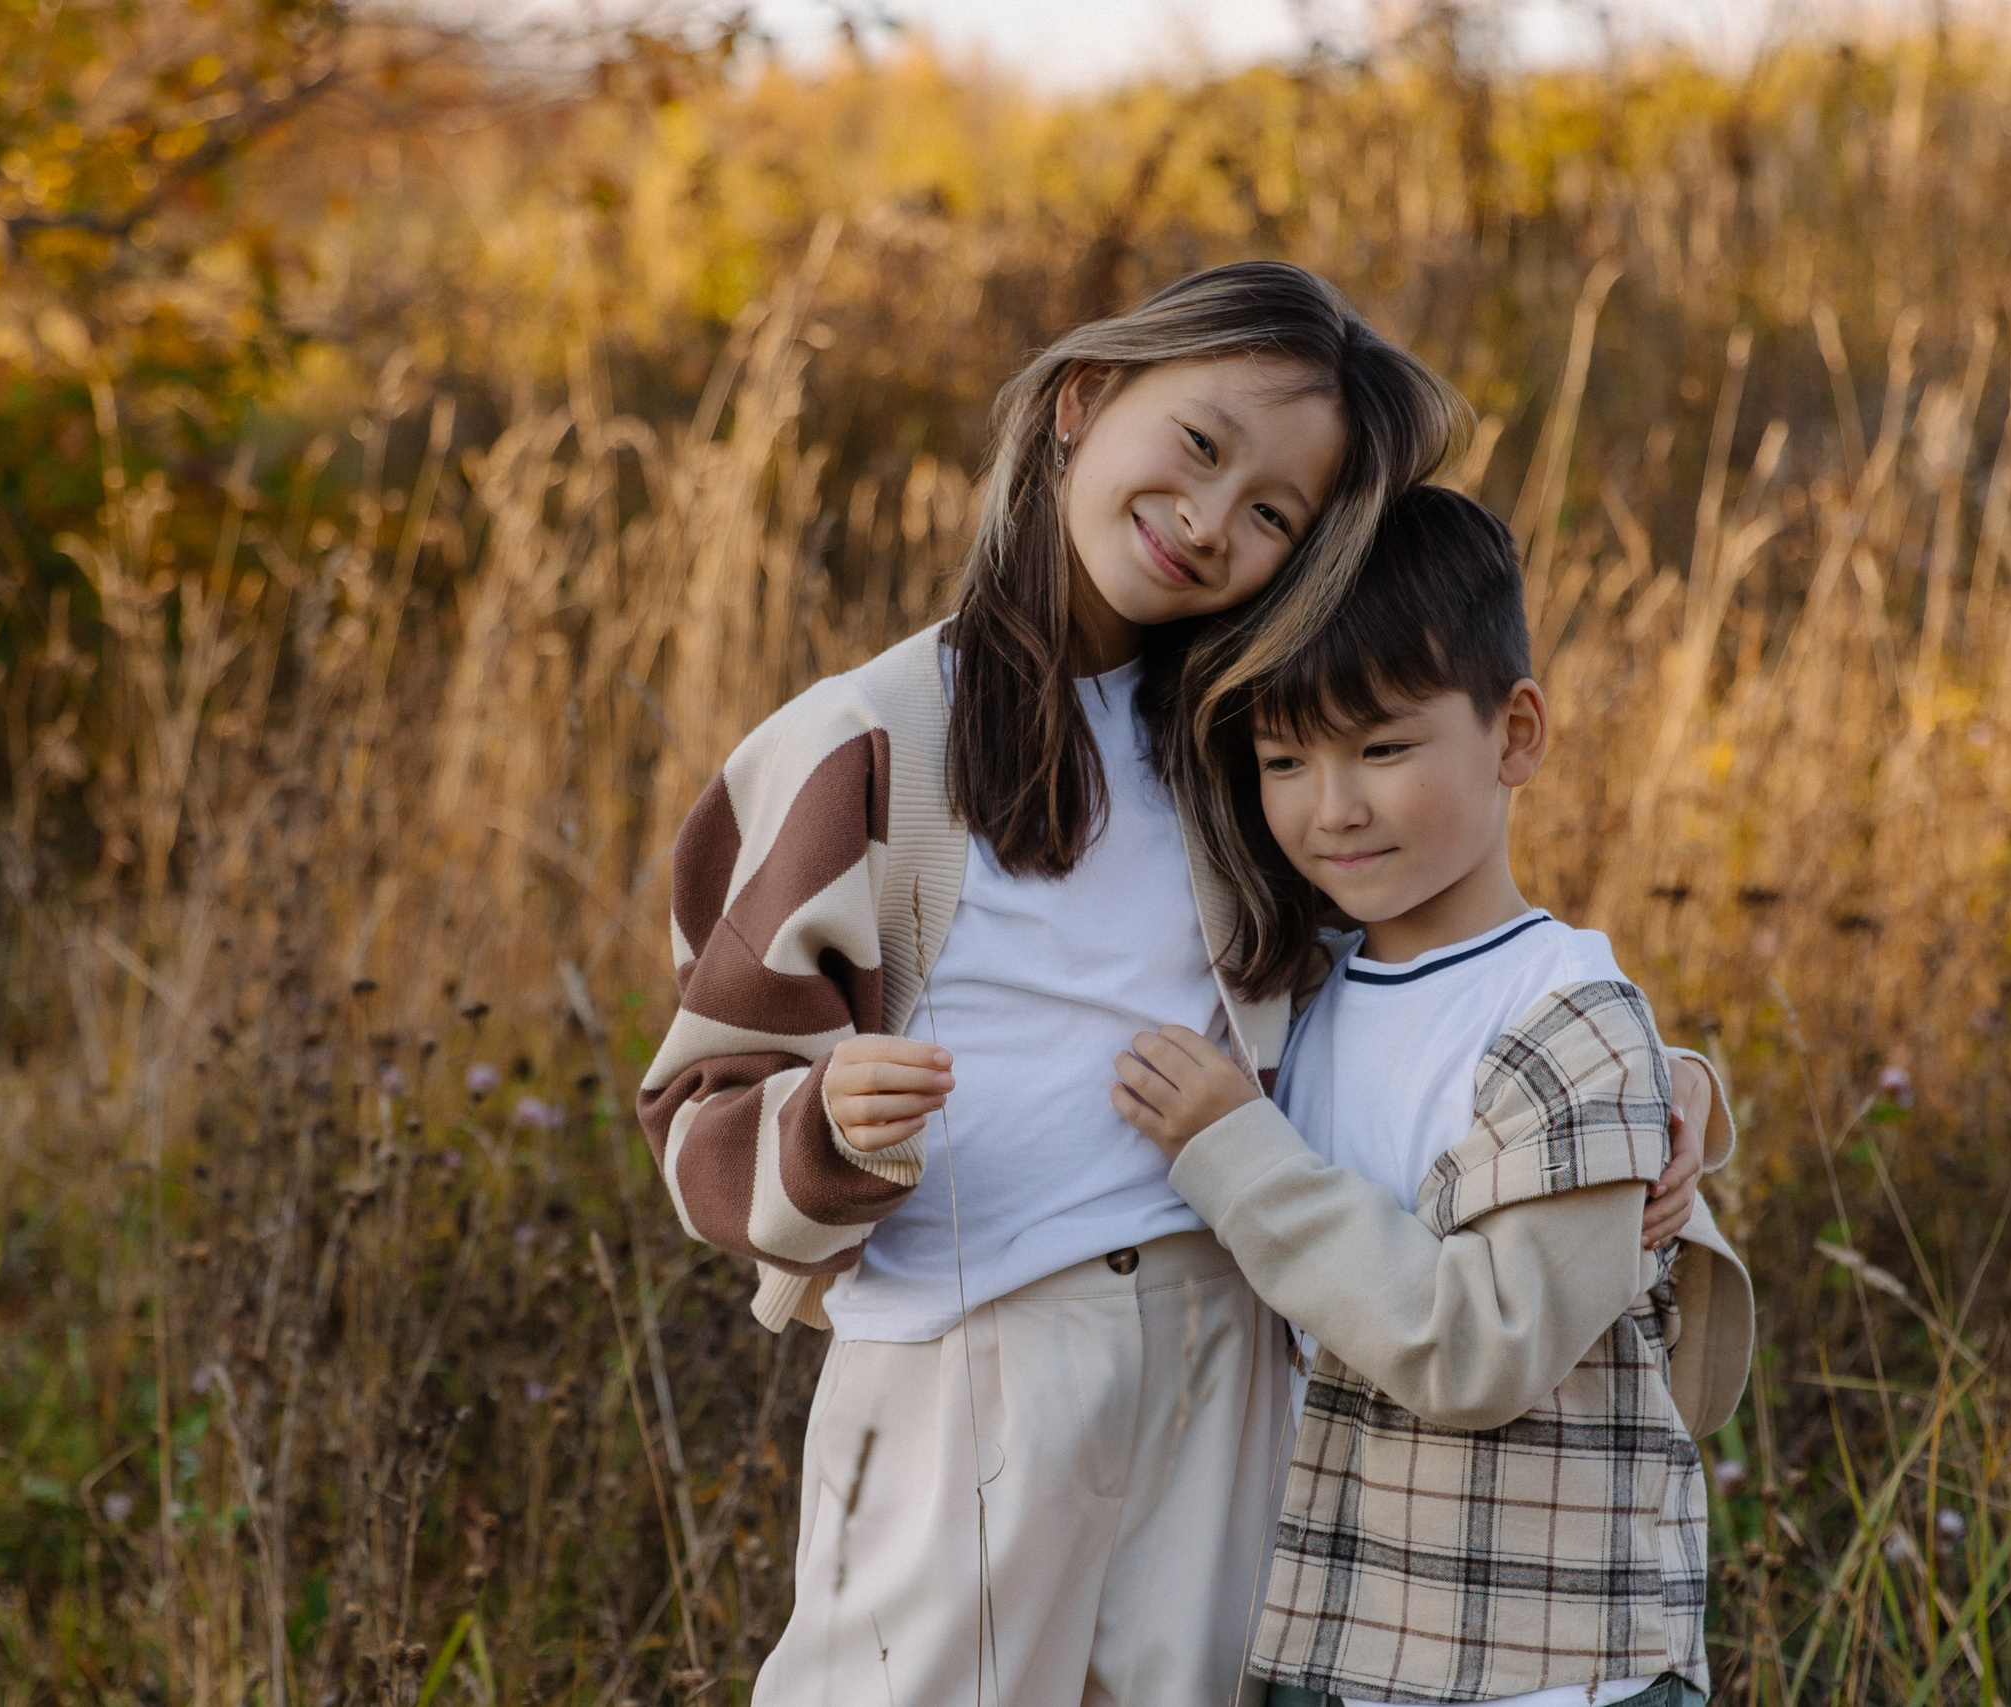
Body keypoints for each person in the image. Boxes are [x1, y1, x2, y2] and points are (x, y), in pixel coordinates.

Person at [638, 262, 1532, 1706]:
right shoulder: (867, 739)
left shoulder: (1254, 738)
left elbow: (1438, 961)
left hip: (1227, 1352)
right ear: (1085, 397)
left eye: (1271, 515)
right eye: (1198, 445)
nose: (1210, 519)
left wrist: (1649, 1086)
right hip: (971, 1351)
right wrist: (825, 1120)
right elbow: (700, 1088)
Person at [1112, 485, 1755, 1707]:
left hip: (1536, 1665)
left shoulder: (1559, 1015)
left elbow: (1481, 1350)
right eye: (1283, 761)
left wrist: (1233, 1151)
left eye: (1383, 748)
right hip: (1342, 1630)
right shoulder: (1302, 990)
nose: (1330, 808)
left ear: (1515, 735)